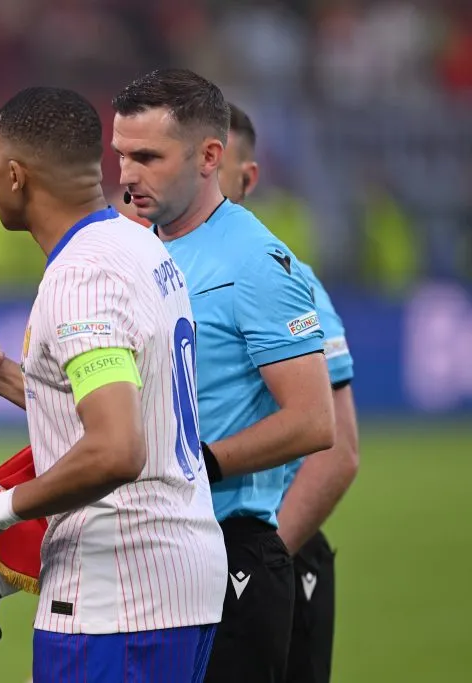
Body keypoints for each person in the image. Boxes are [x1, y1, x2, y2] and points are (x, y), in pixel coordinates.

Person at [0, 86, 227, 683]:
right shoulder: (134, 244)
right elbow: (127, 405)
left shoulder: (82, 278)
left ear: (16, 176)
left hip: (117, 597)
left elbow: (117, 447)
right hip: (175, 579)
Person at [110, 68, 335, 683]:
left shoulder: (256, 263)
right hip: (145, 547)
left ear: (211, 156)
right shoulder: (134, 249)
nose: (127, 175)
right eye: (122, 155)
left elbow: (315, 422)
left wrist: (199, 464)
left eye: (148, 157)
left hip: (228, 549)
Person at [220, 103, 359, 683]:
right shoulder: (158, 271)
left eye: (211, 164)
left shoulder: (281, 277)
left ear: (246, 178)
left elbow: (339, 452)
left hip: (265, 555)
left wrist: (265, 558)